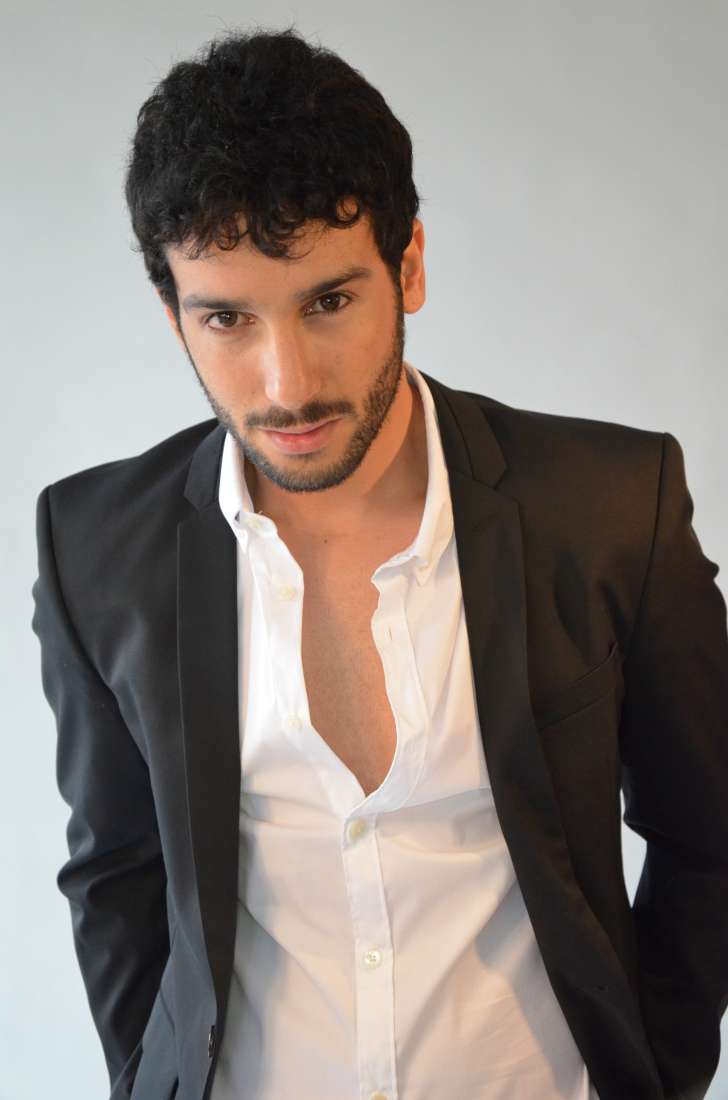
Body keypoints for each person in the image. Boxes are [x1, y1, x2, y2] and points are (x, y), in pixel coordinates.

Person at [31, 23, 728, 1100]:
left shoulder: (606, 508)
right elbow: (115, 867)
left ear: (408, 266)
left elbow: (709, 832)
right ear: (172, 314)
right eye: (226, 317)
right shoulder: (93, 548)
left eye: (328, 301)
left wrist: (662, 1074)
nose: (286, 383)